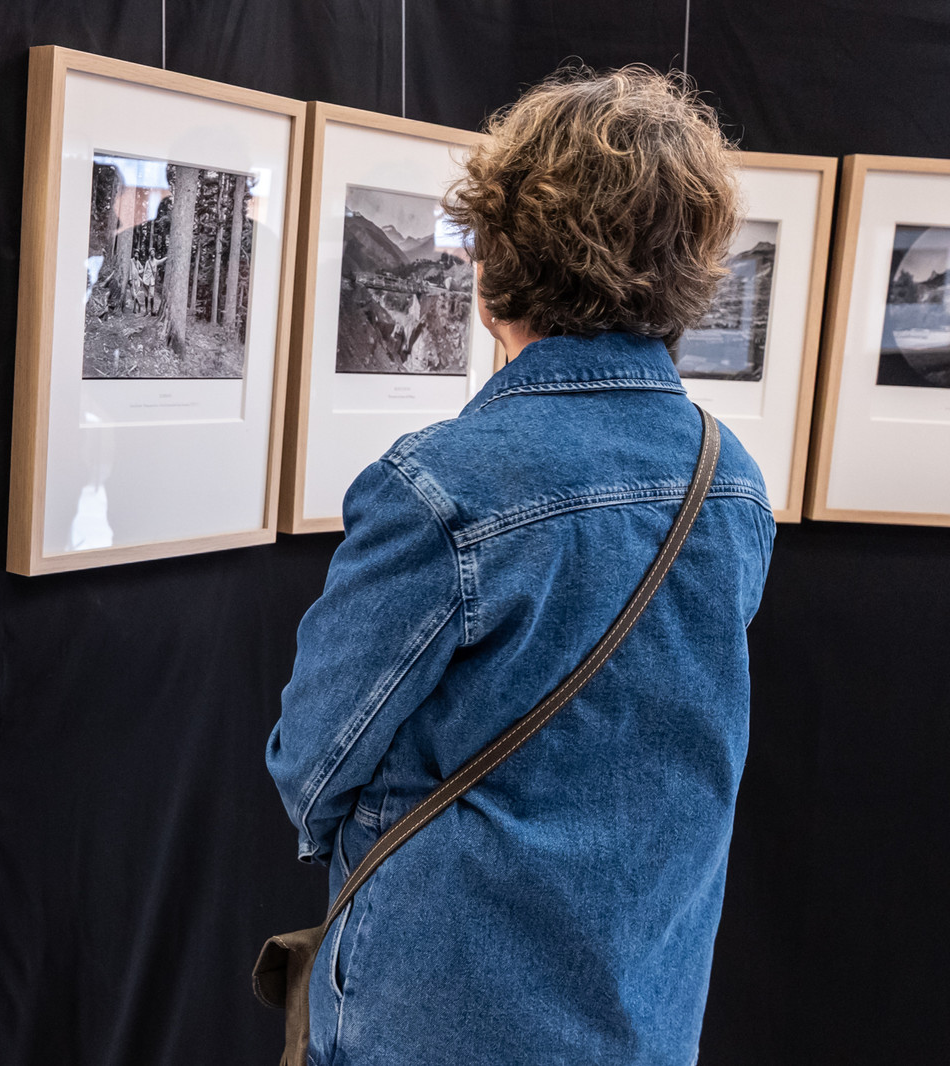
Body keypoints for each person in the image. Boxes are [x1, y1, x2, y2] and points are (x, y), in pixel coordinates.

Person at [266, 68, 776, 1065]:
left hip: (440, 1012)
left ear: (500, 256)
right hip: (645, 1005)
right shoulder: (730, 482)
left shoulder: (437, 486)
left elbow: (309, 766)